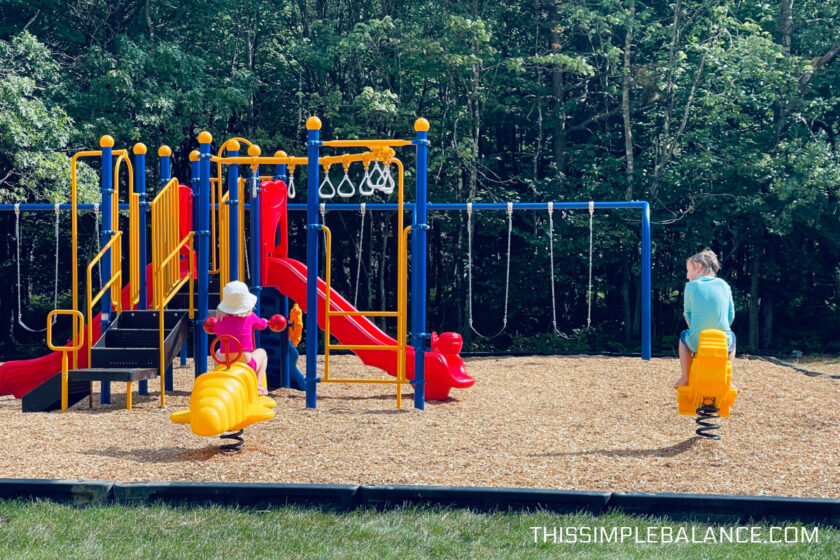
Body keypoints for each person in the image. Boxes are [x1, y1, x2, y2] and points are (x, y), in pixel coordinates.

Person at [674, 249, 736, 389]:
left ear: (698, 267)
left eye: (688, 270)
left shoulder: (690, 286)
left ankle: (685, 377)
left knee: (683, 338)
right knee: (732, 338)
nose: (687, 275)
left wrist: (693, 329)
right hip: (723, 340)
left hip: (698, 339)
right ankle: (728, 379)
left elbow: (687, 313)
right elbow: (731, 314)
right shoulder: (724, 285)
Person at [212, 281, 270, 395]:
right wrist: (266, 321)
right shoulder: (250, 317)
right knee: (262, 353)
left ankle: (217, 376)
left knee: (217, 351)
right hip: (246, 362)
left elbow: (215, 330)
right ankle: (257, 385)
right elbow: (262, 325)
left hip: (225, 361)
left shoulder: (221, 319)